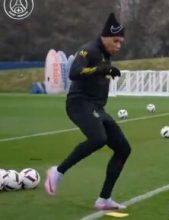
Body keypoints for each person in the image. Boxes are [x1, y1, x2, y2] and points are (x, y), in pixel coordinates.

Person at [44, 13, 130, 210]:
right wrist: (101, 69)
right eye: (116, 41)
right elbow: (74, 73)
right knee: (98, 139)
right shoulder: (89, 49)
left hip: (96, 108)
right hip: (79, 103)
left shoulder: (106, 56)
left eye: (121, 42)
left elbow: (100, 72)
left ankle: (104, 199)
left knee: (124, 149)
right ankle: (57, 172)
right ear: (105, 36)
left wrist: (106, 69)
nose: (118, 46)